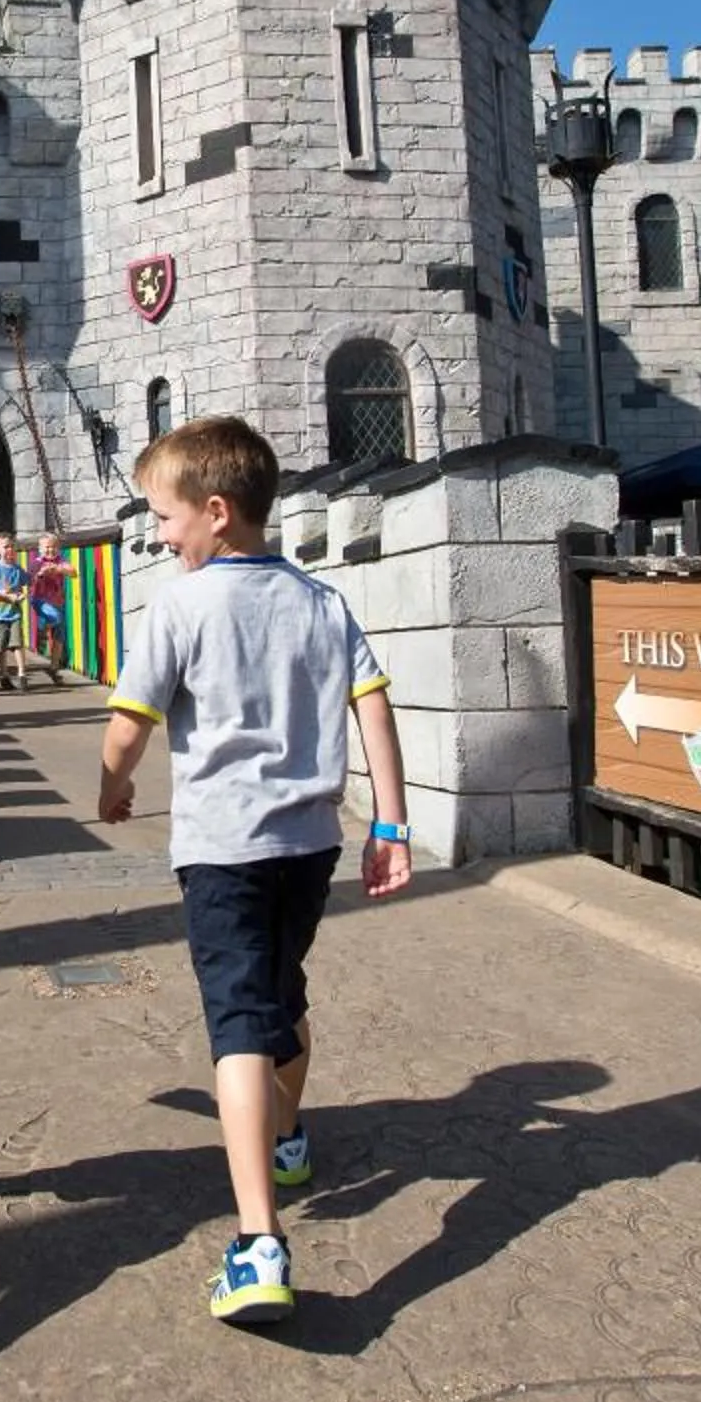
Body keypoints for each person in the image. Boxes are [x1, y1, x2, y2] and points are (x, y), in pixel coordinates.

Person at [96, 415, 412, 1327]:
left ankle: (258, 1242)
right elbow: (375, 707)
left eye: (165, 517)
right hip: (309, 845)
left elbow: (128, 726)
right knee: (283, 997)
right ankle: (285, 1138)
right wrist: (388, 822)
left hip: (223, 850)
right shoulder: (321, 601)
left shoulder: (183, 607)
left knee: (236, 1023)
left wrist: (111, 787)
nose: (159, 534)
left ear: (217, 513)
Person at [0, 535, 31, 689]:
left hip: (14, 613)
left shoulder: (18, 569)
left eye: (12, 546)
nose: (9, 550)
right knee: (1, 647)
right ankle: (4, 674)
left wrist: (23, 595)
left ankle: (22, 674)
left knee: (18, 644)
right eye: (5, 547)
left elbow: (27, 585)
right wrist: (4, 595)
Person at [29, 533, 70, 687]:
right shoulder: (37, 562)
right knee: (55, 618)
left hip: (58, 601)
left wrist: (58, 568)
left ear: (58, 548)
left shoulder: (61, 561)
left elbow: (73, 572)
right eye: (47, 547)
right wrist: (40, 574)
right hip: (40, 600)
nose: (50, 550)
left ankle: (54, 668)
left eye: (53, 547)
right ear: (40, 549)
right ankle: (42, 633)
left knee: (59, 637)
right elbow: (30, 578)